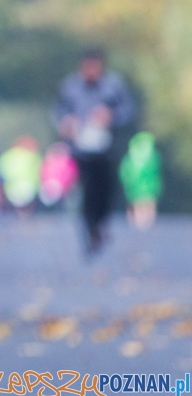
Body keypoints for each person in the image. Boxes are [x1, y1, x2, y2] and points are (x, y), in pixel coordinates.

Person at [53, 47, 136, 255]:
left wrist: (111, 117)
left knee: (106, 189)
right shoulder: (70, 87)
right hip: (81, 149)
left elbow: (128, 111)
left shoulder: (113, 86)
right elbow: (58, 112)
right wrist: (65, 124)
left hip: (106, 148)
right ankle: (90, 229)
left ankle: (102, 222)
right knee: (88, 190)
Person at [119, 130, 162, 231]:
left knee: (139, 204)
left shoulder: (131, 156)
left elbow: (124, 172)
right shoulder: (153, 156)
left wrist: (127, 182)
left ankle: (139, 222)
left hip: (135, 187)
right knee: (148, 204)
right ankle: (147, 222)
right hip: (150, 187)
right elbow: (157, 171)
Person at [0, 136, 42, 214]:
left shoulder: (7, 155)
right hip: (29, 188)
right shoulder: (31, 156)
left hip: (12, 190)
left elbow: (1, 172)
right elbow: (40, 171)